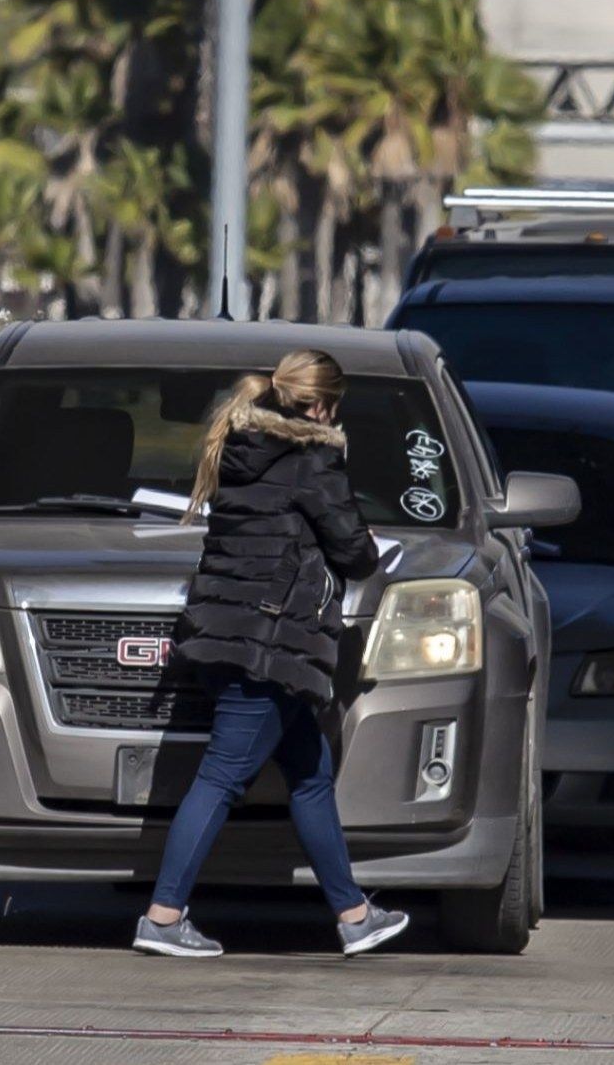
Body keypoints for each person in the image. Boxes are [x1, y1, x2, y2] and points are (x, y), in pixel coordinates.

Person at [131, 349, 409, 959]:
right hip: (267, 645)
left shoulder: (241, 449)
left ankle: (355, 915)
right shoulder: (312, 459)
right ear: (323, 404)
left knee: (309, 776)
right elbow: (354, 550)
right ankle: (163, 915)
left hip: (227, 632)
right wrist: (370, 553)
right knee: (222, 777)